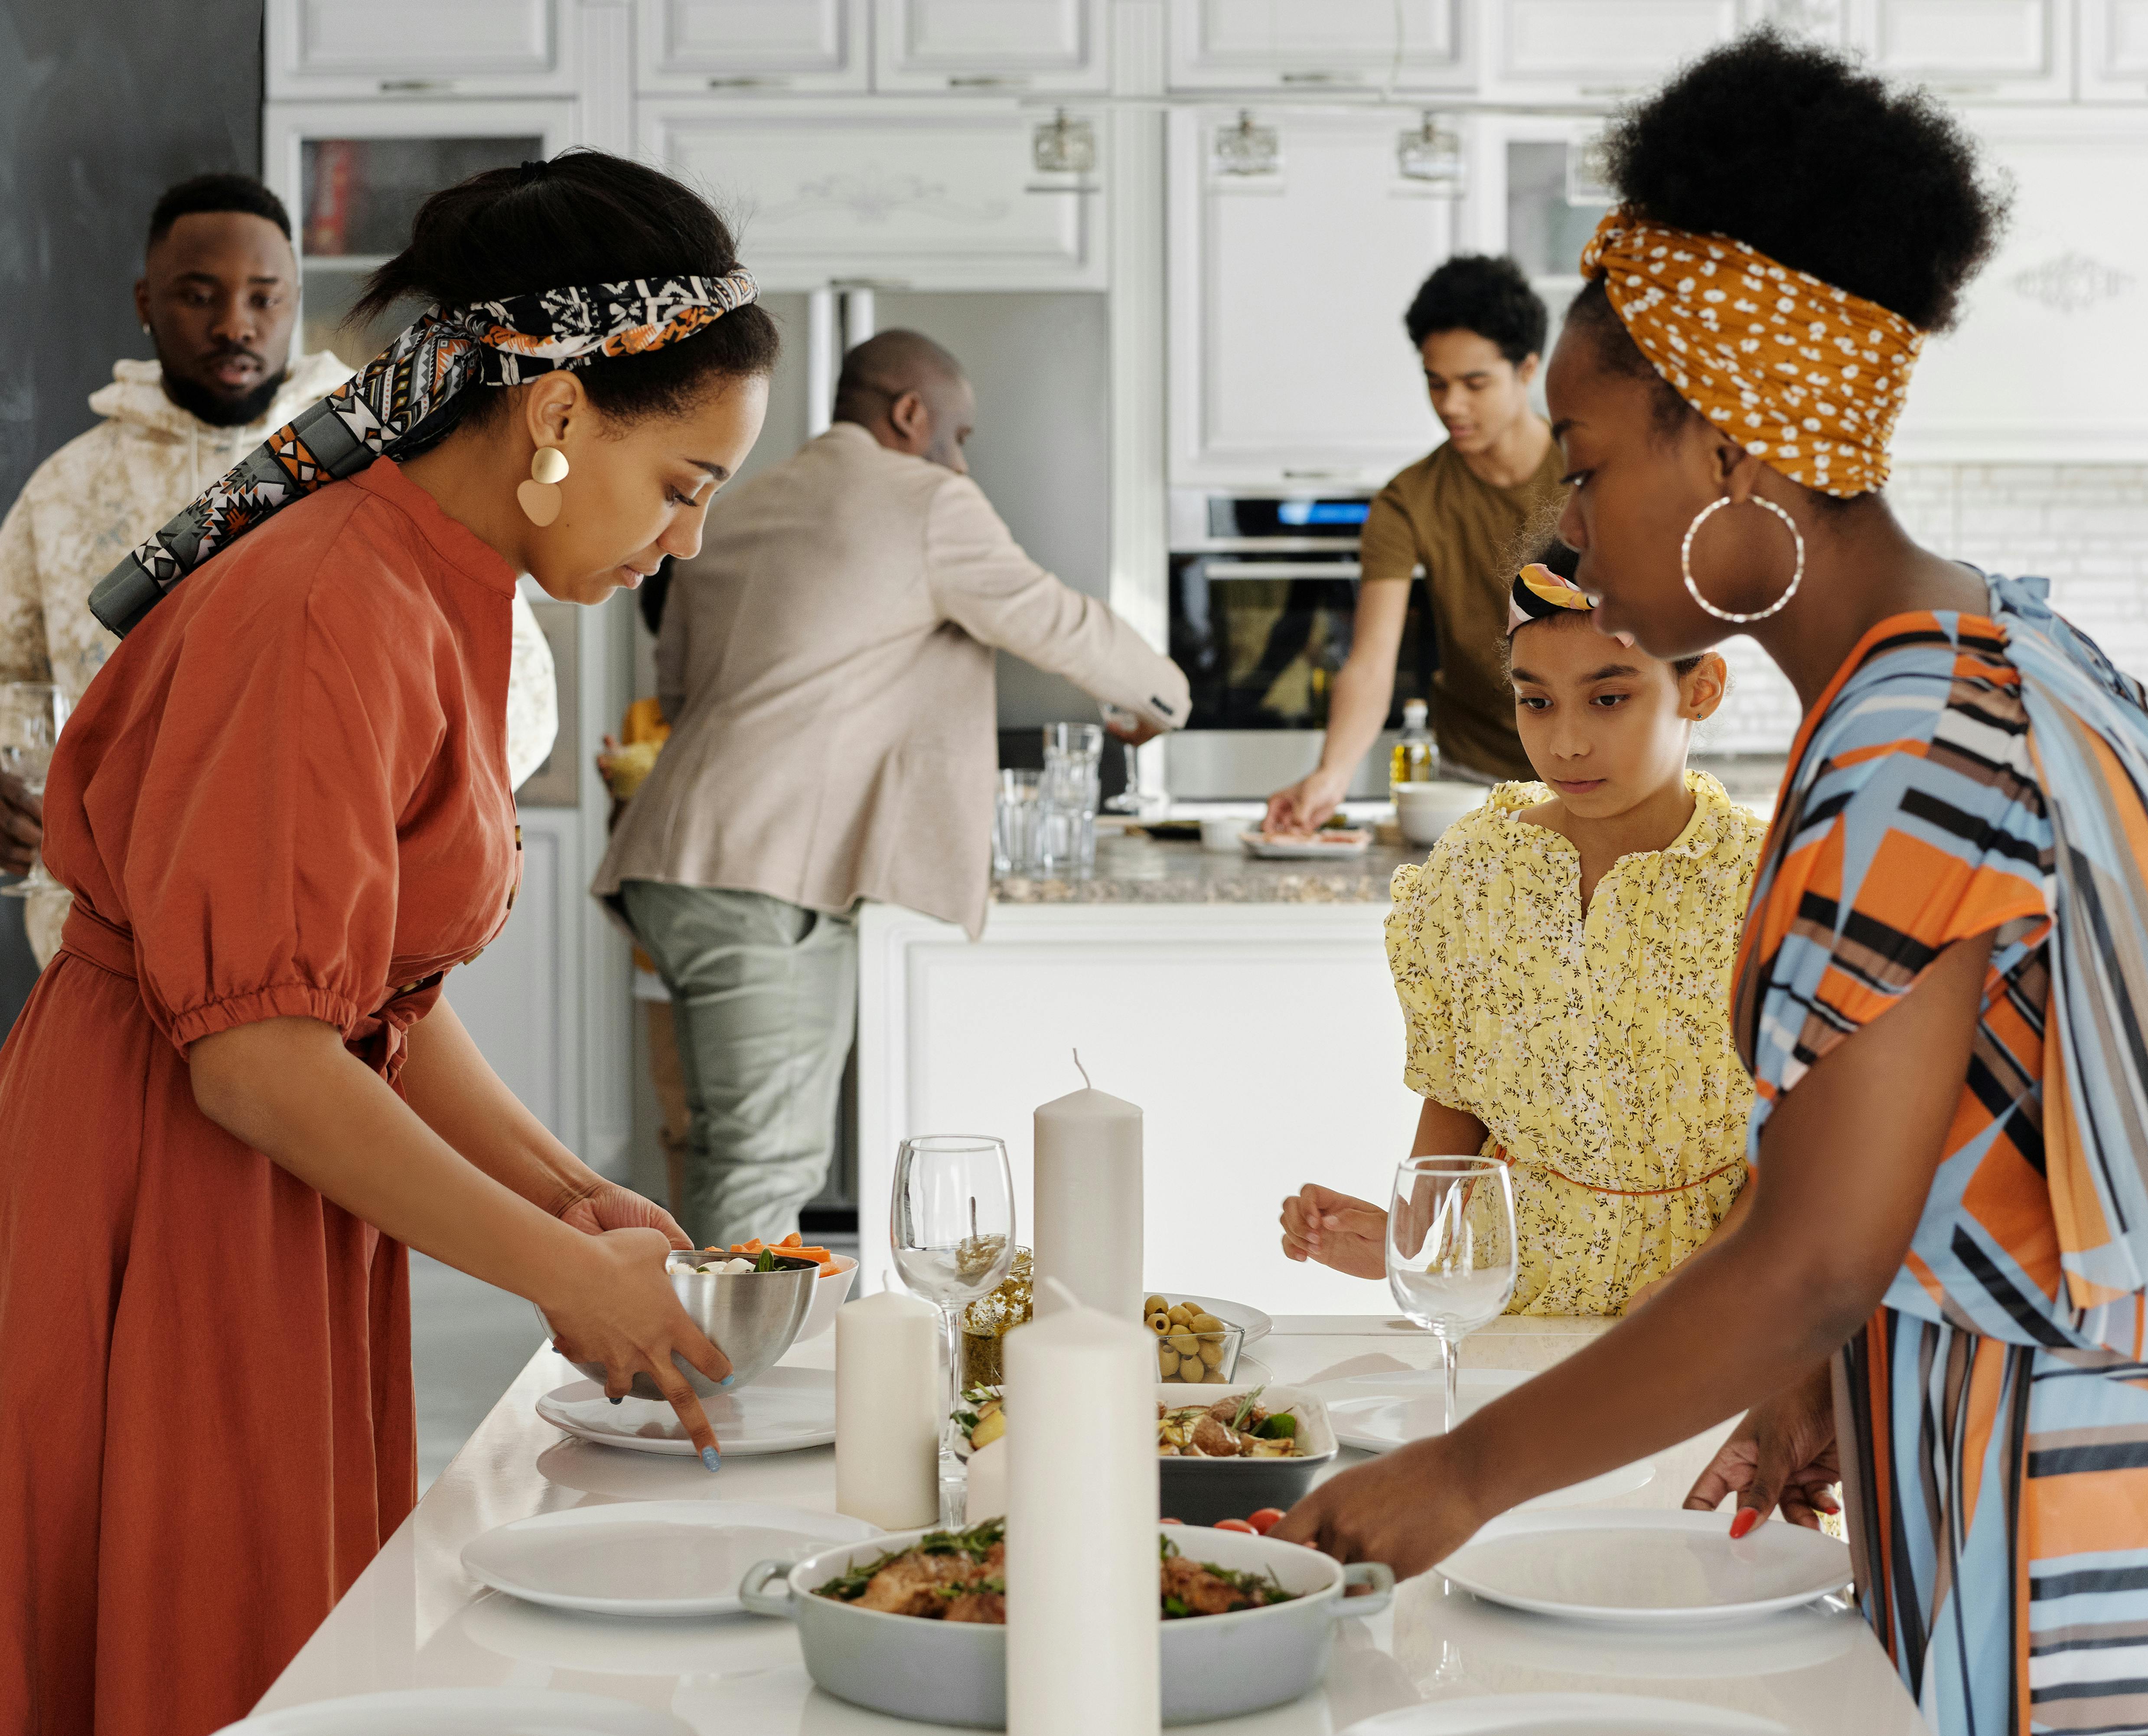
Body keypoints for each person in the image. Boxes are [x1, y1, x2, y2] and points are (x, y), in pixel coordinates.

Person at [1272, 34, 2148, 1735]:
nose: (1573, 528)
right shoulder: (1994, 644)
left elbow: (1814, 1253)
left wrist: (1463, 1471)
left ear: (1737, 454)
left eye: (1590, 466)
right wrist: (1834, 1379)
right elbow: (1992, 1129)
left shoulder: (1907, 735)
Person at [0, 150, 779, 1736]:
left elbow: (374, 1003)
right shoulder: (323, 602)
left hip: (272, 1183)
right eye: (686, 486)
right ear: (558, 414)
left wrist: (569, 1193)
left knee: (294, 1654)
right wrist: (565, 1272)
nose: (686, 542)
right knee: (204, 1656)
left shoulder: (449, 585)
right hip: (176, 1191)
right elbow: (263, 1059)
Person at [592, 328, 1190, 1248]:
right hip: (767, 875)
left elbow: (678, 691)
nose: (963, 458)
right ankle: (725, 1383)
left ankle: (707, 1364)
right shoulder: (927, 501)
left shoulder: (737, 507)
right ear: (912, 414)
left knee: (724, 1152)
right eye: (962, 434)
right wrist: (1166, 697)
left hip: (677, 860)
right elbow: (1053, 620)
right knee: (764, 1169)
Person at [0, 172, 559, 966]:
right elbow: (9, 682)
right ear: (145, 303)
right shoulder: (63, 489)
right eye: (199, 296)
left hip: (323, 929)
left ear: (295, 301)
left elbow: (514, 695)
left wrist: (381, 814)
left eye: (264, 298)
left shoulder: (395, 469)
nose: (236, 324)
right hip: (98, 938)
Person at [1278, 558, 1765, 1315]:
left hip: (1716, 1309)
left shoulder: (1767, 886)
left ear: (1699, 690)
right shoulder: (1476, 870)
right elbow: (1458, 1097)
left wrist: (1687, 1296)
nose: (1565, 742)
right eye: (1535, 702)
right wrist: (1405, 1246)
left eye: (1609, 699)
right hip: (1505, 1298)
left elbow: (1804, 1156)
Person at [1264, 255, 1564, 831]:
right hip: (1472, 782)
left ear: (1527, 370)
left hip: (1599, 767)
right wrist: (1331, 775)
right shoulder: (1409, 501)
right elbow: (1371, 663)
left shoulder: (1592, 476)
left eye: (1475, 384)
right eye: (1436, 382)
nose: (1451, 405)